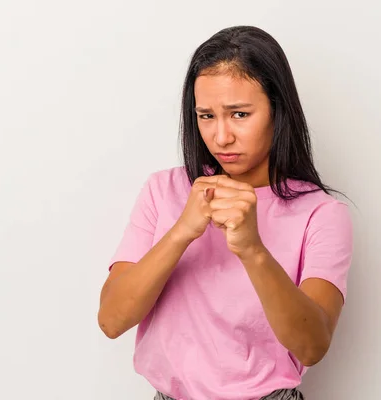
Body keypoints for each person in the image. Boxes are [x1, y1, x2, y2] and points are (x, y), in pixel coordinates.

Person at [98, 25, 353, 400]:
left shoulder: (321, 213)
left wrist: (252, 249)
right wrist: (183, 230)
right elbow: (111, 320)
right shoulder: (162, 190)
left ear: (277, 110)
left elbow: (312, 345)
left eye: (239, 114)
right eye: (206, 116)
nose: (221, 137)